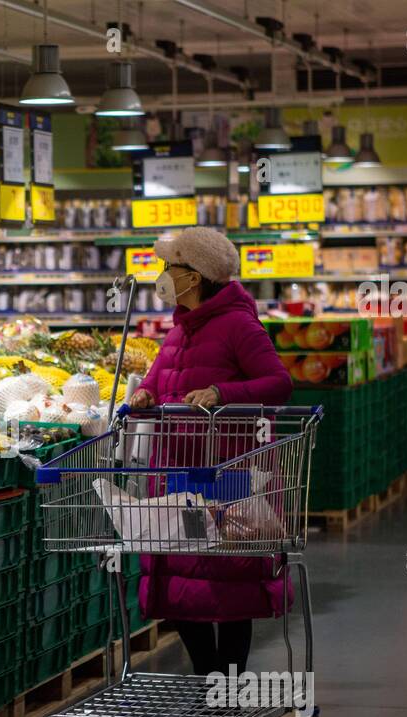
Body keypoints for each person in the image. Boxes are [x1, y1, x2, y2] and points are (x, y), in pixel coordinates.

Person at [128, 227, 294, 676]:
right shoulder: (180, 329)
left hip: (233, 471)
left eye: (171, 267)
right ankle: (209, 678)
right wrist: (144, 393)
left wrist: (222, 391)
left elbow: (278, 384)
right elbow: (158, 378)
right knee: (179, 578)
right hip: (180, 473)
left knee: (230, 577)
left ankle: (228, 683)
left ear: (195, 276)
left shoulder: (238, 324)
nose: (163, 275)